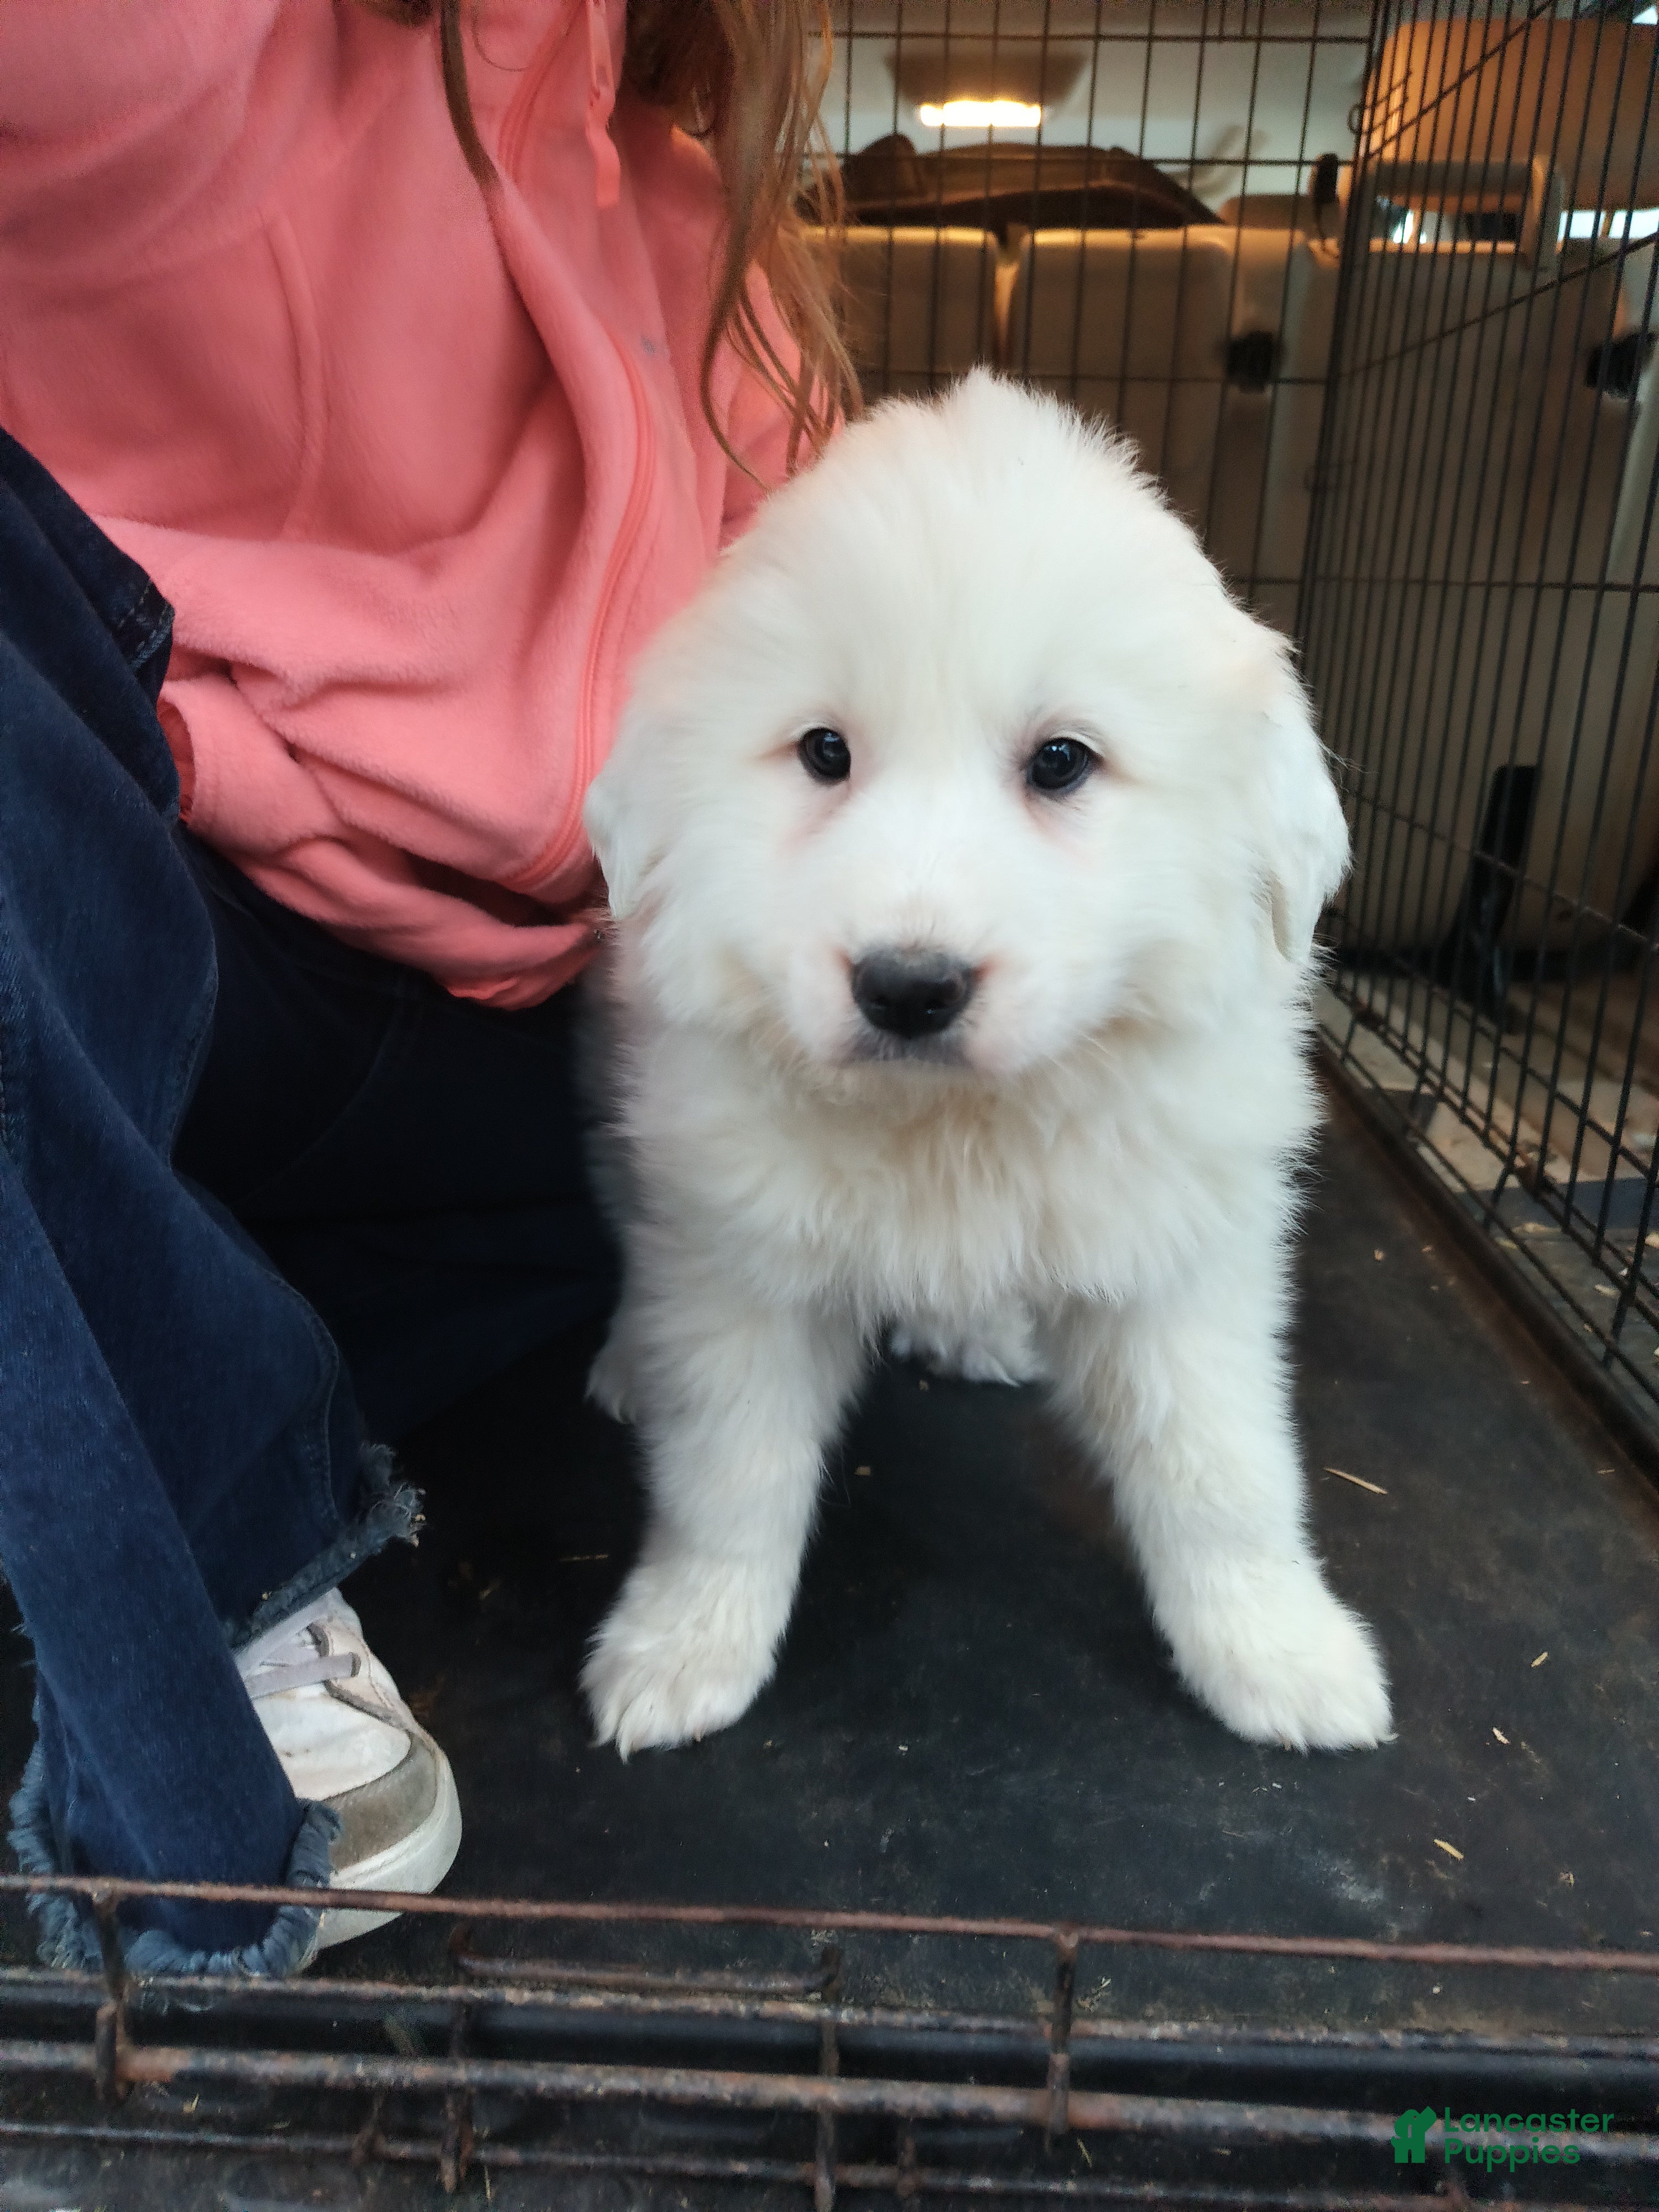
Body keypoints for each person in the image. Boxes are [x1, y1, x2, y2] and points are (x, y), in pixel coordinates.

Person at [0, 0, 853, 1975]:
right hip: (176, 973)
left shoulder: (704, 221)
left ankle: (126, 1386)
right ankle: (209, 1594)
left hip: (536, 1090)